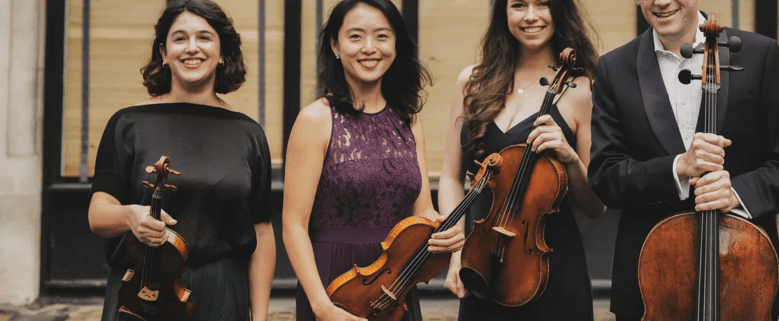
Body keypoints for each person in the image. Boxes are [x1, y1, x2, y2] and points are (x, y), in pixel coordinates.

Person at [588, 0, 779, 320]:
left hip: (744, 278)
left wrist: (736, 193)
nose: (661, 2)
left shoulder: (759, 53)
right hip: (652, 288)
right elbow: (605, 176)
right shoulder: (614, 67)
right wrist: (678, 167)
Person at [87, 1, 275, 320]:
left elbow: (262, 232)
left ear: (222, 51)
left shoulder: (248, 133)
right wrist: (131, 216)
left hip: (223, 291)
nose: (192, 48)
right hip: (144, 293)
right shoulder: (128, 123)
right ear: (163, 52)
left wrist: (260, 316)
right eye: (179, 38)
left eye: (204, 37)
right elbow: (98, 214)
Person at [281, 1, 466, 320]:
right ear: (336, 47)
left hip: (395, 287)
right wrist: (322, 307)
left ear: (396, 45)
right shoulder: (316, 119)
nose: (370, 48)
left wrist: (446, 232)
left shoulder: (409, 119)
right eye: (355, 37)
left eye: (382, 36)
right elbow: (293, 225)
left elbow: (421, 213)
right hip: (333, 283)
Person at [439, 0, 605, 320]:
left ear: (560, 11)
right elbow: (449, 177)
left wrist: (569, 158)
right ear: (504, 12)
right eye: (518, 5)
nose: (531, 15)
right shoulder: (472, 82)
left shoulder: (582, 91)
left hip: (551, 267)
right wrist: (457, 251)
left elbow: (596, 206)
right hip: (482, 263)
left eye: (542, 4)